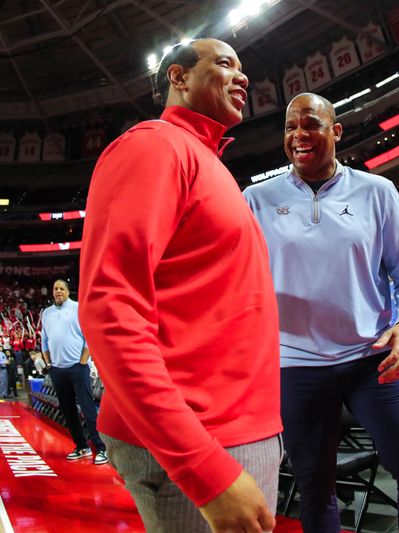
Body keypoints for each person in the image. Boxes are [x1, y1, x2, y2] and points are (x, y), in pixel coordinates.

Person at [79, 39, 282, 533]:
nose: (243, 78)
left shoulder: (208, 162)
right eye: (225, 64)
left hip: (232, 425)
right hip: (205, 435)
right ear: (179, 77)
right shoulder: (154, 146)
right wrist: (201, 467)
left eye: (243, 69)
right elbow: (110, 309)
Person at [244, 92, 399, 533]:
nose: (299, 136)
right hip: (295, 365)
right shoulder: (255, 200)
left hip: (372, 359)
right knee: (315, 486)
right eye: (290, 128)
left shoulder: (376, 192)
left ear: (335, 131)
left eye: (310, 124)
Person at [41, 280, 106, 464]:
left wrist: (83, 361)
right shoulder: (46, 313)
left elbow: (89, 337)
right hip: (57, 370)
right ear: (52, 292)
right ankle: (82, 446)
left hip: (78, 367)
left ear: (68, 292)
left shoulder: (79, 309)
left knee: (88, 409)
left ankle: (101, 447)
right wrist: (48, 363)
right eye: (55, 289)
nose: (58, 291)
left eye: (62, 288)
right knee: (68, 410)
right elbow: (44, 341)